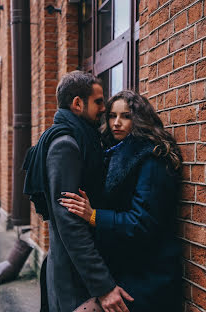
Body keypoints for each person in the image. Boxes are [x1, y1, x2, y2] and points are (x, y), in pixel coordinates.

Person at [59, 90, 183, 312]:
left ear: (139, 119)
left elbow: (142, 222)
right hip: (123, 267)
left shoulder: (151, 158)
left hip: (148, 274)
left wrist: (93, 215)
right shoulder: (113, 152)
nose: (116, 123)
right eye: (112, 116)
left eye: (125, 116)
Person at [23, 72, 134, 312]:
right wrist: (103, 286)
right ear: (77, 104)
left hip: (78, 271)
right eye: (98, 102)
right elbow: (70, 223)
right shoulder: (66, 145)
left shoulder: (84, 139)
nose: (104, 108)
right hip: (74, 278)